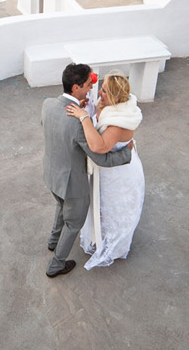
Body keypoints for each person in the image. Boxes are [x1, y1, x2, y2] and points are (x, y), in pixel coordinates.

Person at [42, 63, 133, 278]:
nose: (91, 88)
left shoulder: (47, 104)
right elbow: (101, 157)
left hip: (51, 174)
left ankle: (53, 241)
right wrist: (127, 153)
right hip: (72, 183)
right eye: (87, 85)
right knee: (74, 223)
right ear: (75, 88)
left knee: (61, 206)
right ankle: (56, 265)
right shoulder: (78, 124)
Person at [65, 71, 145, 270]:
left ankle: (113, 246)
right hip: (108, 170)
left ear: (116, 97)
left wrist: (83, 117)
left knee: (112, 209)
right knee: (100, 206)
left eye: (105, 92)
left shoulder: (117, 124)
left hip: (118, 173)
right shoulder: (110, 106)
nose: (100, 93)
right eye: (101, 88)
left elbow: (99, 147)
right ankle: (97, 235)